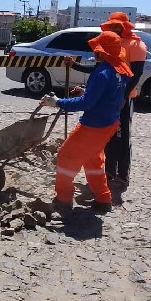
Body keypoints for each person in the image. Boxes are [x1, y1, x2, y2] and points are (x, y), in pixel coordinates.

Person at [41, 31, 133, 214]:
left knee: (66, 156)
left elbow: (86, 104)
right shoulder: (120, 70)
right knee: (93, 160)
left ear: (102, 52)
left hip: (93, 126)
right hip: (109, 123)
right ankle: (103, 199)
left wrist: (57, 102)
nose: (94, 53)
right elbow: (112, 96)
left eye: (97, 50)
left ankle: (63, 199)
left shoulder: (102, 73)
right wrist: (86, 92)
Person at [66, 12, 147, 191]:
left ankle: (122, 176)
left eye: (117, 25)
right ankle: (109, 173)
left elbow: (135, 75)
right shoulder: (110, 42)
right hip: (109, 97)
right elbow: (98, 68)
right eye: (112, 25)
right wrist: (74, 65)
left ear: (125, 26)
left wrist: (122, 97)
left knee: (122, 137)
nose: (114, 28)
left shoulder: (136, 45)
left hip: (124, 97)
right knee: (107, 137)